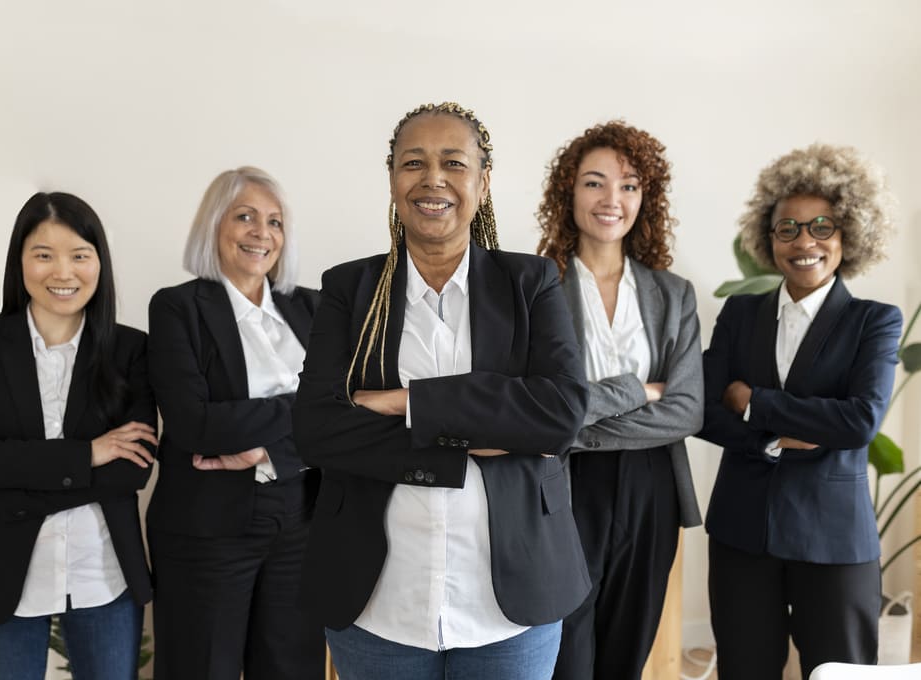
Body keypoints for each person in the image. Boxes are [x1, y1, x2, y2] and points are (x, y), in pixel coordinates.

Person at [293, 102, 589, 680]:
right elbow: (317, 430)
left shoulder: (531, 282)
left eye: (453, 162)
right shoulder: (349, 288)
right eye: (413, 163)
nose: (433, 179)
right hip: (378, 602)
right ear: (392, 179)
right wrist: (482, 431)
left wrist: (408, 402)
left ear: (483, 182)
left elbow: (560, 414)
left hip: (512, 602)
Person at [0, 192, 158, 680]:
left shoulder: (130, 350)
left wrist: (8, 480)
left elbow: (130, 470)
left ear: (99, 263)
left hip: (102, 577)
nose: (63, 272)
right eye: (44, 254)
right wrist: (88, 453)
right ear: (20, 261)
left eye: (79, 255)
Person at [698, 144, 901, 679]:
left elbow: (859, 422)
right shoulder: (740, 312)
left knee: (841, 674)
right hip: (743, 534)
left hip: (834, 540)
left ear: (848, 234)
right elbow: (703, 409)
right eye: (787, 228)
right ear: (768, 239)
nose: (804, 242)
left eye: (821, 226)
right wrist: (767, 439)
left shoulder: (875, 321)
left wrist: (755, 402)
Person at [536, 121, 704, 680]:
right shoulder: (537, 287)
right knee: (566, 653)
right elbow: (537, 405)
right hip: (564, 483)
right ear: (568, 192)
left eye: (629, 185)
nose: (612, 199)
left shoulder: (673, 294)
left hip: (651, 487)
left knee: (625, 652)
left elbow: (686, 410)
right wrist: (637, 391)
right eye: (594, 182)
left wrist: (575, 422)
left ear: (644, 199)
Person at [145, 166, 322, 680]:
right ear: (214, 224)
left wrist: (269, 450)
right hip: (207, 528)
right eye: (245, 216)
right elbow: (195, 425)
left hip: (301, 519)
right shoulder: (178, 308)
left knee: (292, 669)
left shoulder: (312, 308)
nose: (261, 232)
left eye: (274, 221)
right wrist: (300, 407)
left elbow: (343, 415)